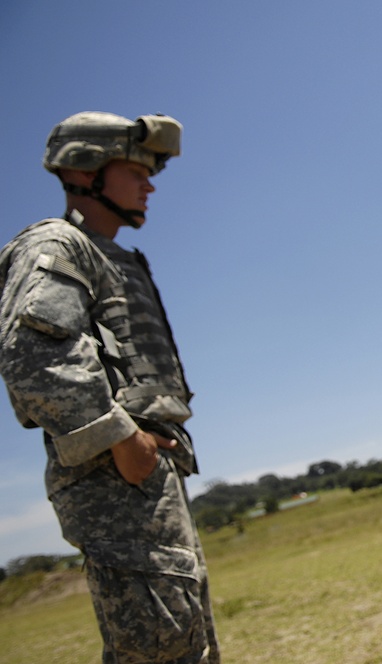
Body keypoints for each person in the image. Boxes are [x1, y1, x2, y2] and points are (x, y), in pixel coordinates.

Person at [0, 111, 220, 663]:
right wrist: (123, 438)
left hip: (146, 474)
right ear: (88, 170)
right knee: (158, 645)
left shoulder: (113, 255)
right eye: (135, 169)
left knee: (185, 637)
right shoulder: (58, 244)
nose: (149, 183)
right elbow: (33, 356)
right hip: (118, 476)